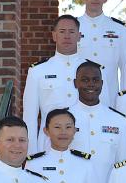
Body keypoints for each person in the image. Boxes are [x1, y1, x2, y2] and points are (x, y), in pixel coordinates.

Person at [23, 14, 85, 154]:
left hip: (83, 142)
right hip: (48, 144)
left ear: (79, 36)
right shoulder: (38, 71)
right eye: (62, 32)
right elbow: (30, 117)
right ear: (54, 36)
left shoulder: (93, 70)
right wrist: (31, 155)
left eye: (72, 32)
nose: (67, 36)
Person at [78, 0, 126, 107]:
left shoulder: (119, 29)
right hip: (77, 100)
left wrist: (124, 101)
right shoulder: (72, 27)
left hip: (109, 100)